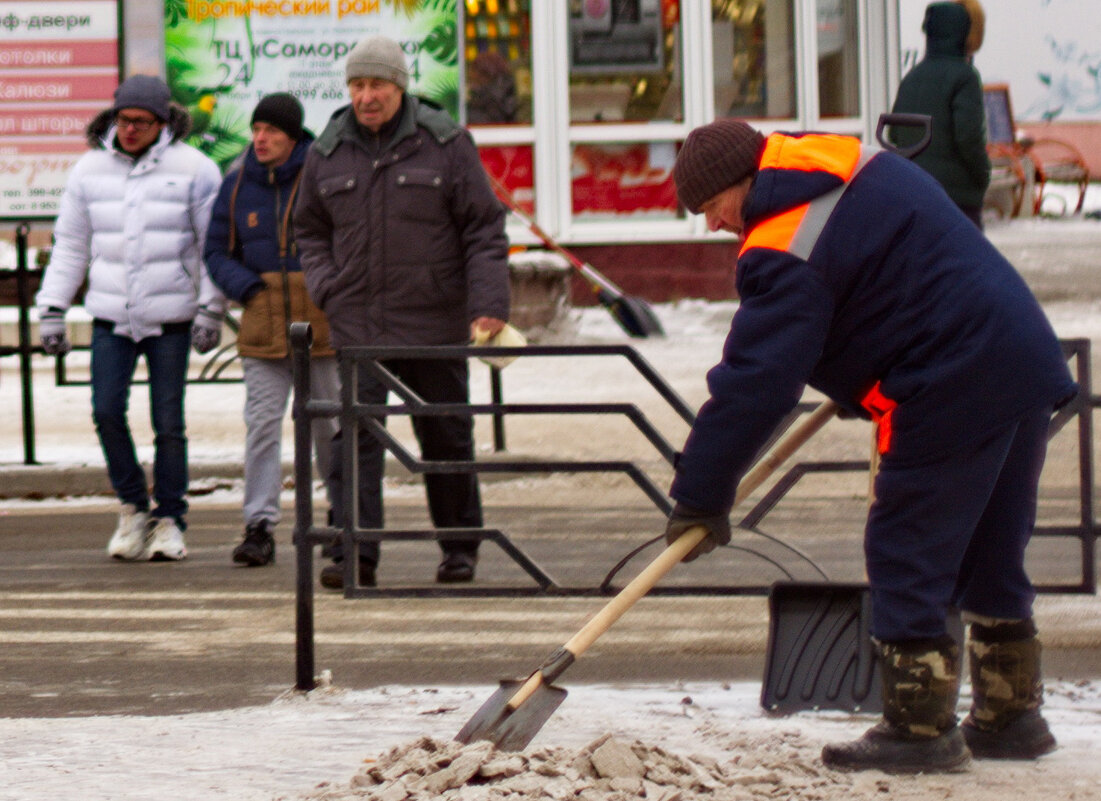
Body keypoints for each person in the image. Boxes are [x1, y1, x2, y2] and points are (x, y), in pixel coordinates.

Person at [663, 118, 1076, 773]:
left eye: (713, 208)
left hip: (949, 376)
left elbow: (757, 380)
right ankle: (1009, 715)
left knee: (906, 543)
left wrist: (699, 492)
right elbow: (885, 270)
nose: (714, 224)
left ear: (743, 183)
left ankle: (917, 730)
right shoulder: (850, 163)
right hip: (1018, 352)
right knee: (987, 547)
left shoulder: (781, 244)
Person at [294, 35, 511, 589]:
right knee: (356, 440)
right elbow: (308, 229)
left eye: (377, 85)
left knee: (445, 435)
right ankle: (354, 552)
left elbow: (483, 227)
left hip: (433, 319)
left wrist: (488, 303)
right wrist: (326, 287)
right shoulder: (327, 151)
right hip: (358, 323)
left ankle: (460, 548)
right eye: (358, 85)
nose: (366, 96)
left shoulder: (446, 143)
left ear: (400, 87)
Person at [36, 75, 225, 561]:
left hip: (172, 316)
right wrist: (52, 308)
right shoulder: (89, 170)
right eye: (124, 120)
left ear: (163, 122)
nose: (131, 130)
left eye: (142, 122)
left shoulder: (195, 169)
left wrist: (210, 308)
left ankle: (170, 519)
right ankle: (133, 507)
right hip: (110, 314)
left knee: (168, 422)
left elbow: (212, 247)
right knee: (104, 411)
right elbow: (72, 245)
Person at [203, 92, 339, 568]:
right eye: (256, 130)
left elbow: (347, 239)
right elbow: (216, 250)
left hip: (320, 324)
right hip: (263, 325)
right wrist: (249, 289)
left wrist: (329, 290)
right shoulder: (236, 184)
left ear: (293, 136)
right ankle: (258, 525)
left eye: (271, 132)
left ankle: (341, 520)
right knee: (261, 425)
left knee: (330, 426)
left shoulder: (321, 176)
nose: (260, 139)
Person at [889, 1, 991, 228]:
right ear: (966, 34)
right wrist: (982, 175)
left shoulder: (912, 77)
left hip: (914, 193)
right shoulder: (965, 77)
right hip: (956, 200)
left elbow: (895, 134)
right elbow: (969, 137)